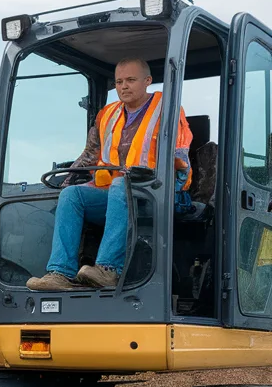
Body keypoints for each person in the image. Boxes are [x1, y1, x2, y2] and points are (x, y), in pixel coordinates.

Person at [26, 57, 192, 292]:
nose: (124, 86)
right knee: (72, 196)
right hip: (117, 195)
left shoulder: (168, 110)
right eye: (119, 82)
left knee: (120, 186)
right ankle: (60, 273)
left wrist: (168, 185)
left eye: (131, 80)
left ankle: (108, 269)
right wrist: (64, 182)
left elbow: (180, 156)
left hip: (156, 193)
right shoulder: (108, 114)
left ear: (148, 81)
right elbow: (90, 154)